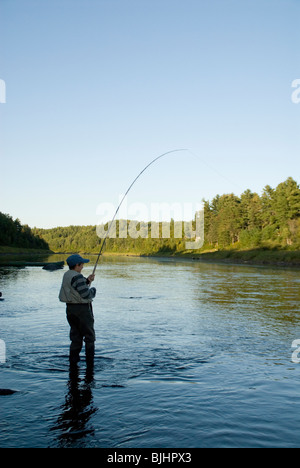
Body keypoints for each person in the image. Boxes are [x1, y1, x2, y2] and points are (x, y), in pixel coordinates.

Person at [59, 254, 96, 366]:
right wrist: (93, 290)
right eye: (82, 264)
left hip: (70, 309)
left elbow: (75, 287)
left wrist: (87, 281)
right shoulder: (78, 277)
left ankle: (73, 361)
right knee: (89, 337)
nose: (83, 267)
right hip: (82, 310)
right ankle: (90, 363)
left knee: (76, 337)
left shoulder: (67, 275)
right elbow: (85, 294)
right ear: (77, 265)